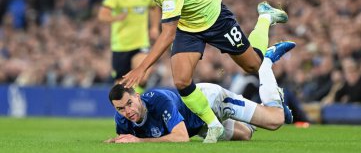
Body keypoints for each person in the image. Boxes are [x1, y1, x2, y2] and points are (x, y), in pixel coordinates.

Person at [75, 0, 288, 143]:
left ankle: (265, 17)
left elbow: (167, 34)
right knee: (181, 81)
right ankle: (213, 125)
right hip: (188, 26)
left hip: (214, 18)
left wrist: (142, 68)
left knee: (254, 65)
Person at [105, 42, 295, 143]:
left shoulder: (159, 101)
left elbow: (181, 138)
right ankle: (262, 108)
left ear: (137, 96)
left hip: (210, 101)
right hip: (200, 126)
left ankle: (268, 60)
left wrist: (138, 142)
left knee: (275, 120)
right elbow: (124, 140)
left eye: (129, 103)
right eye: (120, 109)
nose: (127, 111)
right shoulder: (122, 118)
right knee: (245, 135)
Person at [98, 0, 160, 91]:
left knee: (142, 76)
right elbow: (102, 15)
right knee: (121, 86)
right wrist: (116, 17)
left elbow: (154, 8)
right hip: (121, 45)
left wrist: (154, 27)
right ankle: (126, 107)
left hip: (141, 43)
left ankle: (137, 103)